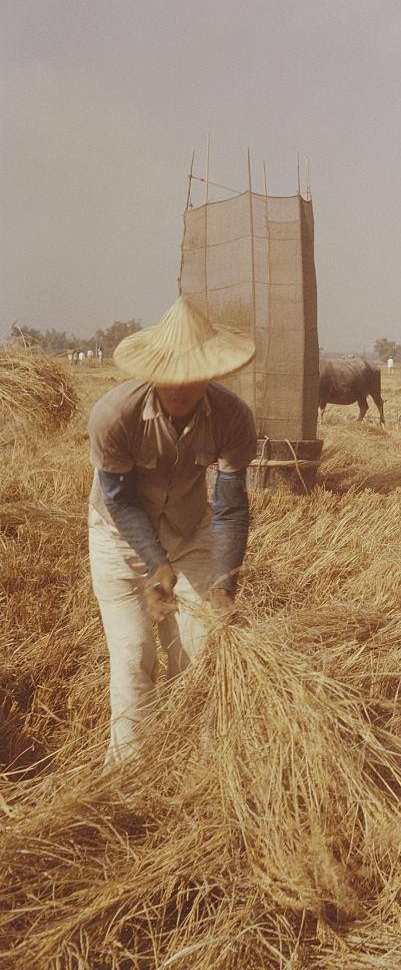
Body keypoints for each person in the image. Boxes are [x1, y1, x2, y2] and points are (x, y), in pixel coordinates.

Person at [87, 298, 257, 764]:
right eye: (172, 377)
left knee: (197, 650)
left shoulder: (233, 417)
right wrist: (155, 564)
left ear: (211, 372)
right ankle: (125, 774)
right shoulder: (114, 415)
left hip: (188, 532)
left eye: (193, 375)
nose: (182, 388)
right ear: (154, 372)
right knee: (133, 656)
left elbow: (229, 506)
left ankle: (186, 765)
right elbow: (120, 500)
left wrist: (223, 585)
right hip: (120, 540)